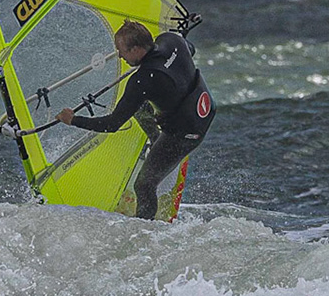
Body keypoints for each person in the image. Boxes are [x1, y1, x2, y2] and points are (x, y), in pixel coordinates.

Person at [58, 19, 214, 219]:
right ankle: (156, 140)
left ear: (136, 49)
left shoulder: (142, 81)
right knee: (139, 105)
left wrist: (73, 120)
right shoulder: (172, 40)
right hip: (205, 106)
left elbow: (112, 124)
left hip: (186, 133)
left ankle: (144, 228)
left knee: (144, 184)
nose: (120, 56)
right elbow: (190, 49)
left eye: (122, 50)